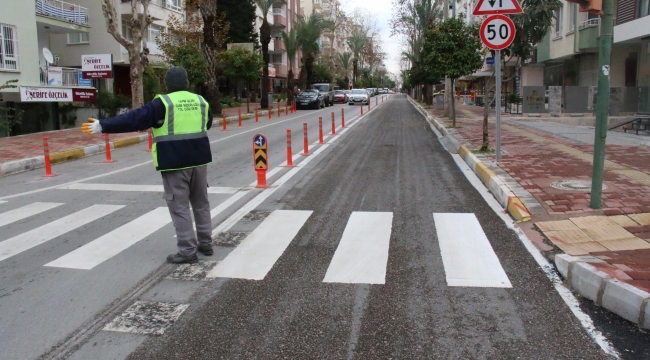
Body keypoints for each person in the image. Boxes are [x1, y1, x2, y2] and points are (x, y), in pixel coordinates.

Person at [81, 66, 214, 264]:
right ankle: (206, 243)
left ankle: (187, 251)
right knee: (201, 203)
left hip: (174, 163)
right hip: (200, 161)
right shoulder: (201, 101)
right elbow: (207, 124)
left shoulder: (163, 103)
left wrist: (103, 125)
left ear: (167, 85)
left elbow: (134, 119)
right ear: (186, 83)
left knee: (180, 207)